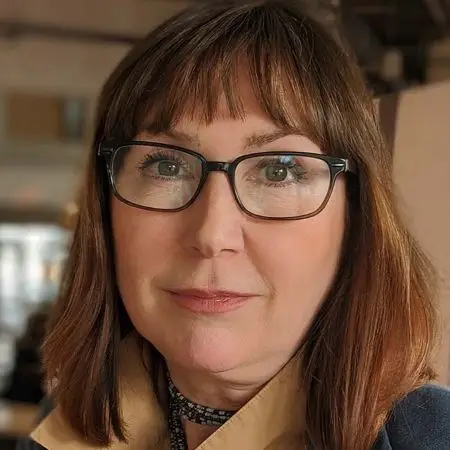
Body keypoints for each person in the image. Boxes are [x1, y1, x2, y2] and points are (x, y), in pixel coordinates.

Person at [24, 1, 450, 449]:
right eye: (167, 166)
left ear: (355, 217)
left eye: (279, 171)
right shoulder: (63, 425)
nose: (212, 235)